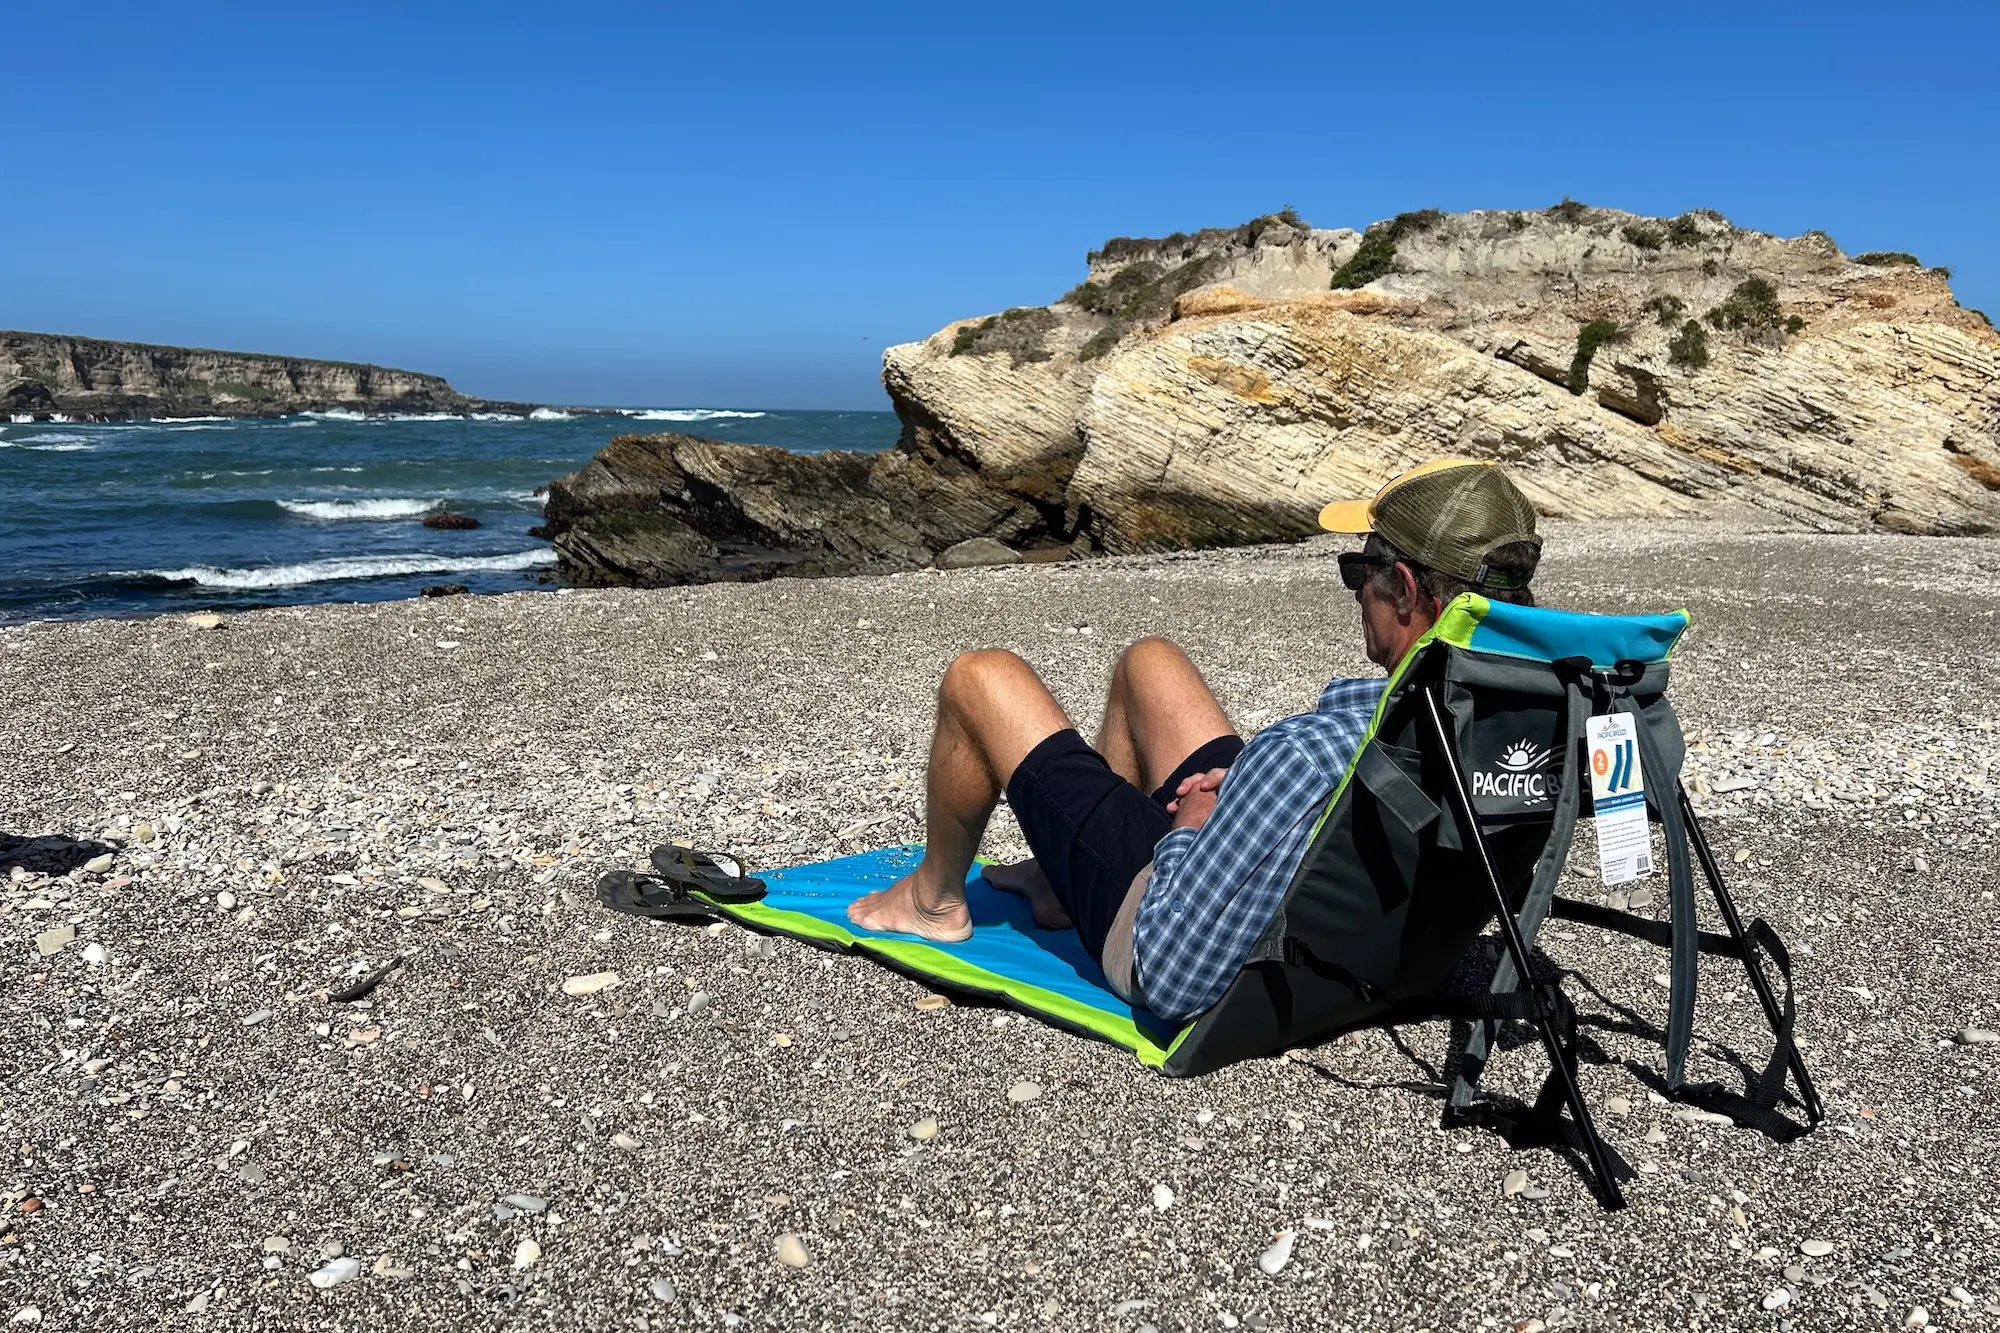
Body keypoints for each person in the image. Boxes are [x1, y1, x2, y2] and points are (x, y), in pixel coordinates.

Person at [847, 459, 1544, 1020]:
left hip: (1179, 929)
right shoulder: (1531, 725)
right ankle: (1059, 880)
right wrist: (1250, 797)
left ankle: (933, 901)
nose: (1356, 590)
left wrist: (1192, 826)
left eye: (1359, 571)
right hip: (1346, 917)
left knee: (980, 678)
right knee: (1149, 663)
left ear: (1405, 589)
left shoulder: (1310, 753)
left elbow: (1172, 973)